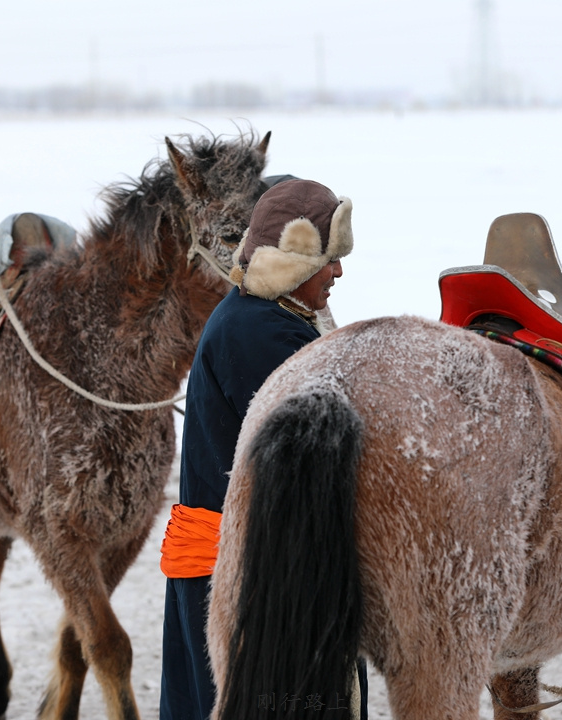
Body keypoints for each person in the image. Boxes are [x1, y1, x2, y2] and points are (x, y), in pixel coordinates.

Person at [159, 178, 364, 720]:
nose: (338, 273)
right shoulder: (262, 335)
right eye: (329, 259)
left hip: (231, 561)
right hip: (239, 576)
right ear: (294, 264)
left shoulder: (263, 318)